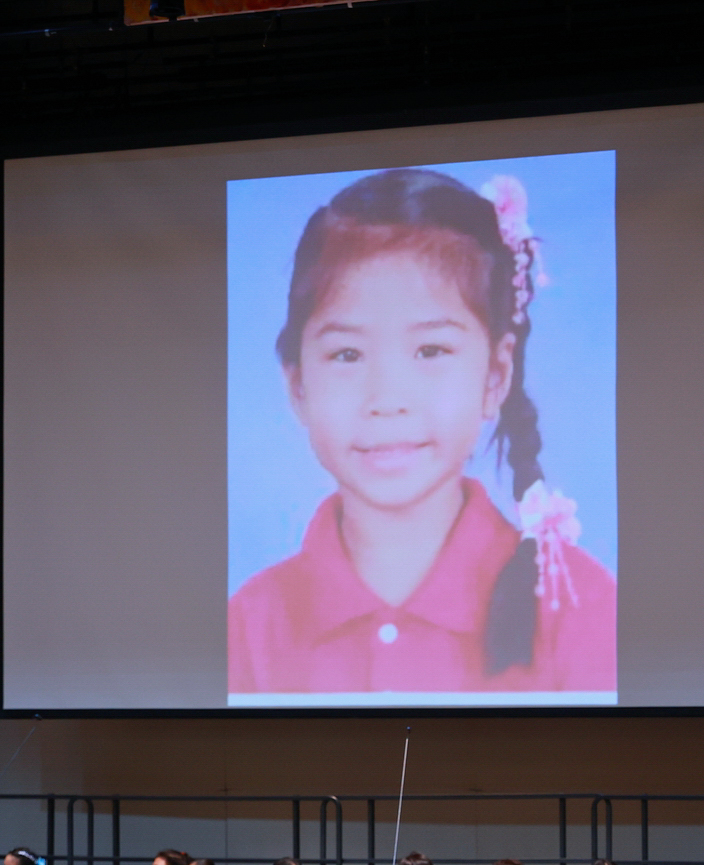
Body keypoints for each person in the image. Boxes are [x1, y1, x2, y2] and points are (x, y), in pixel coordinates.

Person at [227, 166, 617, 696]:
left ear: (495, 377)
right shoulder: (249, 622)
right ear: (297, 387)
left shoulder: (577, 604)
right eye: (347, 354)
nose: (387, 399)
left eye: (430, 351)